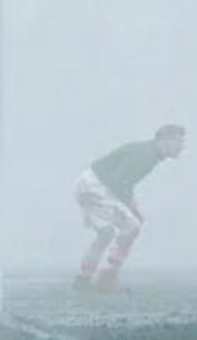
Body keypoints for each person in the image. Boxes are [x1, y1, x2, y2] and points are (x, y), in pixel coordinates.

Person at [72, 124, 186, 292]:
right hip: (94, 187)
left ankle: (84, 280)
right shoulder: (146, 155)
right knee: (132, 226)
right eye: (178, 141)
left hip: (89, 184)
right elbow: (119, 182)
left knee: (107, 233)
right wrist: (131, 207)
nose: (181, 146)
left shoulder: (147, 153)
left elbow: (123, 182)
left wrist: (132, 205)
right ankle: (107, 277)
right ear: (163, 140)